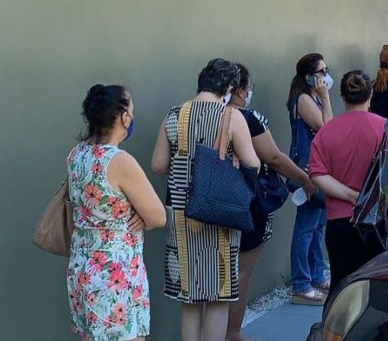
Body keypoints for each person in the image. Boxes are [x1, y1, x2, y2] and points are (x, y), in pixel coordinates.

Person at [151, 59, 260, 341]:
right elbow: (253, 164)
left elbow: (158, 165)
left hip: (180, 213)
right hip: (218, 214)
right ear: (228, 88)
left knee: (190, 296)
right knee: (217, 295)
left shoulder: (174, 115)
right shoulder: (231, 117)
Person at [67, 85, 166, 341]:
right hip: (115, 271)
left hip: (83, 266)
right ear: (123, 118)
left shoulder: (77, 155)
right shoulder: (119, 161)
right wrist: (139, 215)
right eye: (131, 111)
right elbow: (157, 216)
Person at [226, 64, 316, 341]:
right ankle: (232, 333)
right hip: (249, 202)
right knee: (241, 272)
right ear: (241, 91)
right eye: (249, 88)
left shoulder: (201, 116)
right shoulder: (248, 118)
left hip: (212, 202)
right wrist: (304, 178)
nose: (250, 92)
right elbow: (273, 157)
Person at [309, 71, 388, 290]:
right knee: (384, 282)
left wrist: (352, 196)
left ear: (343, 97)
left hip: (342, 218)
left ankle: (338, 324)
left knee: (343, 284)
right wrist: (377, 199)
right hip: (383, 217)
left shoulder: (327, 132)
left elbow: (317, 174)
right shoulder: (385, 127)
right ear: (370, 94)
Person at [285, 53, 333, 305]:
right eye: (321, 72)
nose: (326, 76)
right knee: (306, 227)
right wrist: (325, 97)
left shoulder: (312, 98)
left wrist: (323, 99)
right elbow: (327, 129)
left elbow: (329, 126)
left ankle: (316, 275)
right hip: (308, 171)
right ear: (309, 76)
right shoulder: (303, 99)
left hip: (319, 168)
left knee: (317, 225)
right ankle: (301, 283)